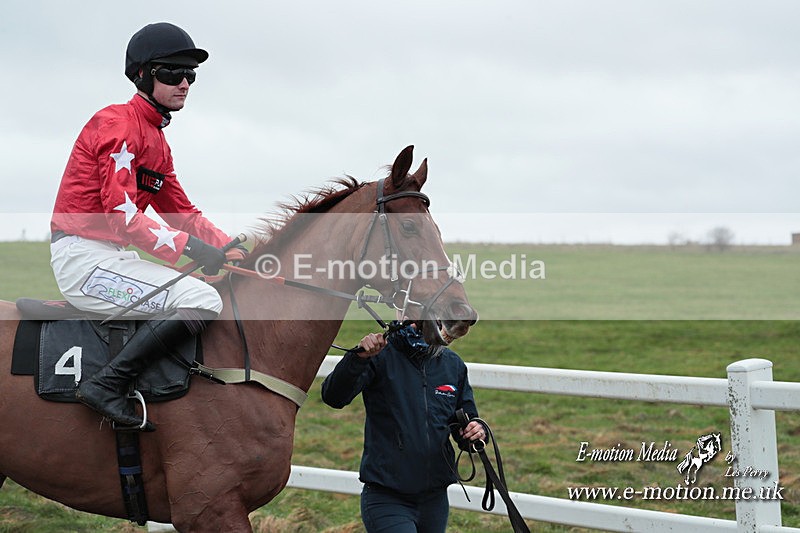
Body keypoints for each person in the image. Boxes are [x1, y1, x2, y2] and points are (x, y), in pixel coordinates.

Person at [49, 22, 245, 430]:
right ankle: (107, 385)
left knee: (203, 292)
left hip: (110, 257)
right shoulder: (118, 125)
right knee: (204, 300)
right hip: (82, 261)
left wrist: (229, 247)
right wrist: (193, 249)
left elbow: (181, 211)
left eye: (191, 74)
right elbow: (122, 217)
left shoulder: (156, 140)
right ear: (142, 75)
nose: (185, 83)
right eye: (172, 73)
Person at [321, 322, 486, 533]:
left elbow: (466, 424)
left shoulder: (453, 365)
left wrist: (476, 431)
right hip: (387, 498)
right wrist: (358, 358)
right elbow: (333, 396)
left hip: (435, 501)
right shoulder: (380, 356)